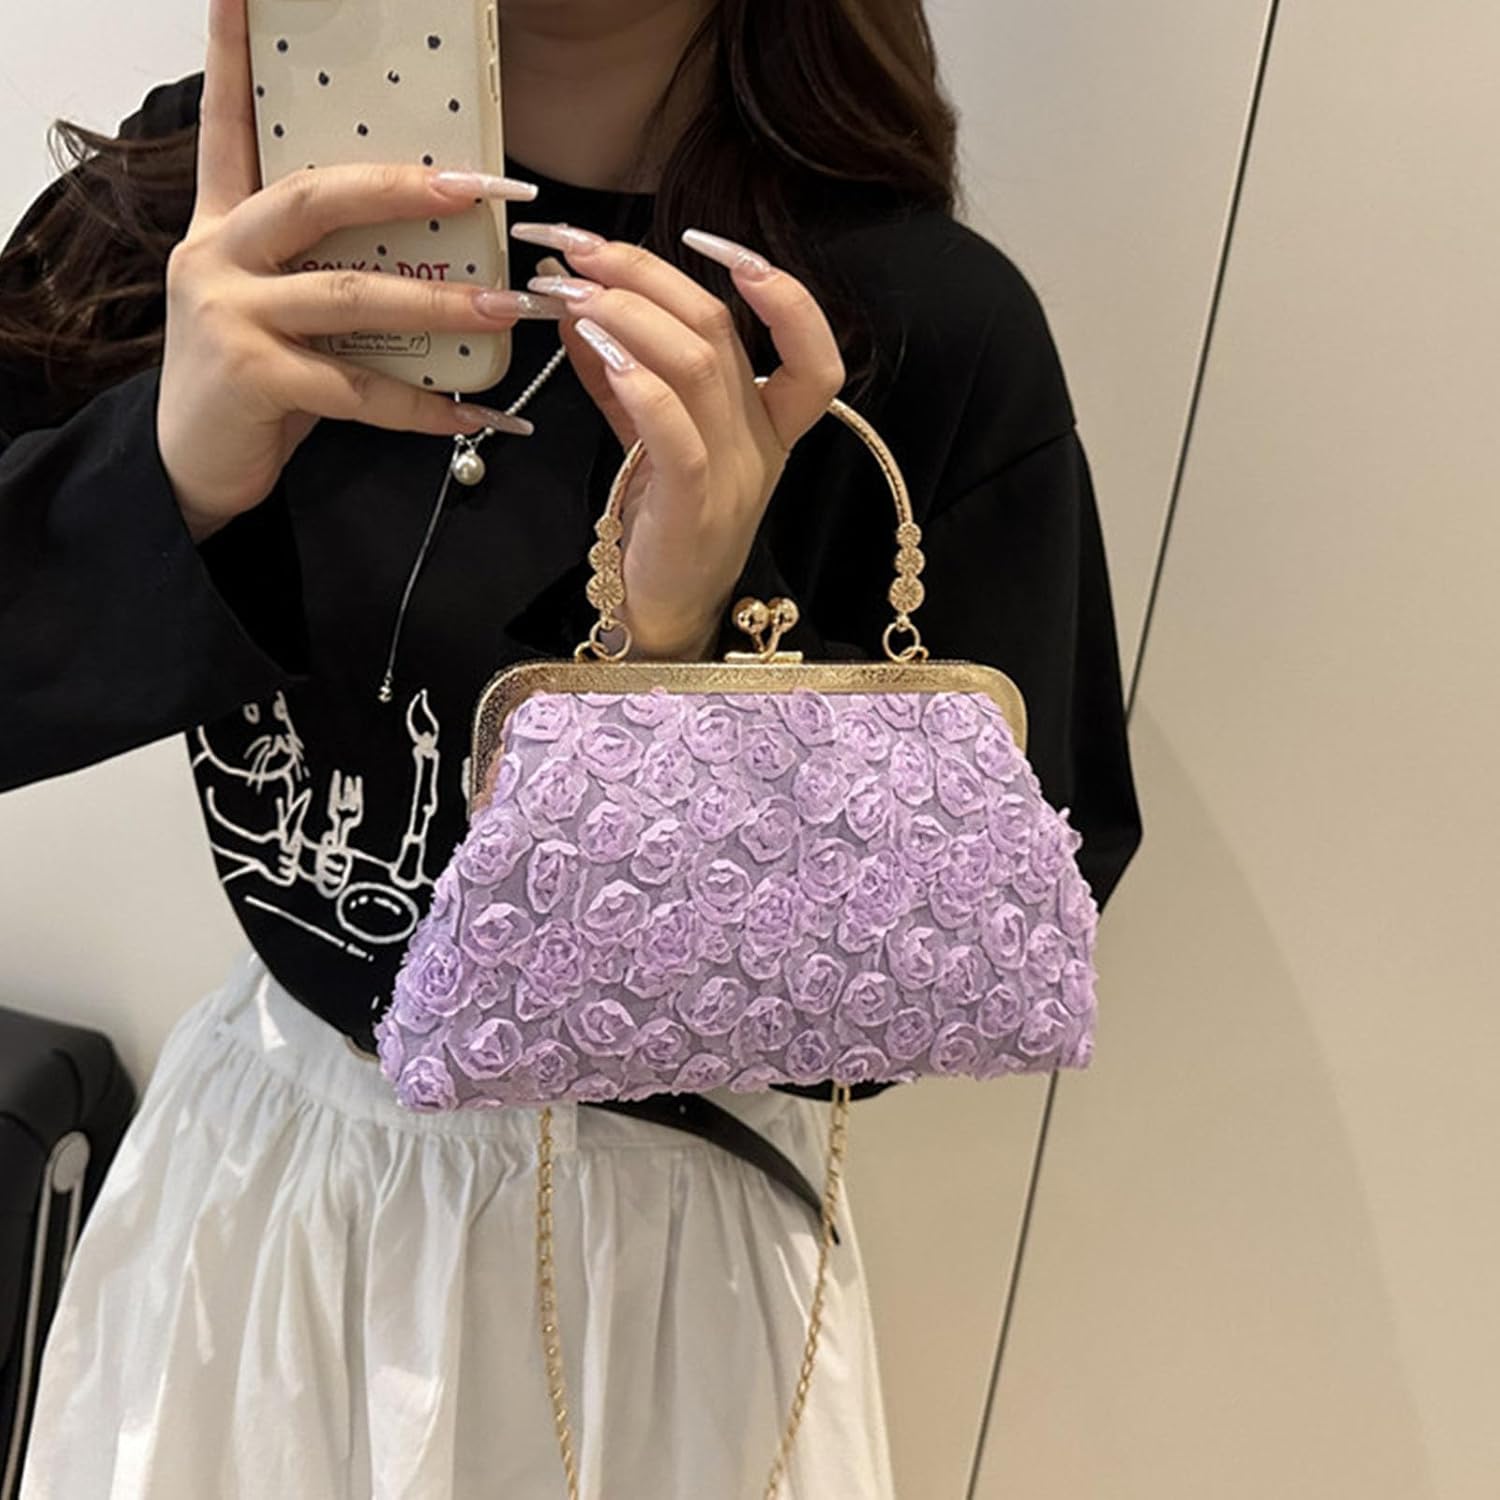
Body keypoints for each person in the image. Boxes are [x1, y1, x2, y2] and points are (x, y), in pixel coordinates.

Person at [0, 0, 1144, 1494]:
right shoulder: (228, 196)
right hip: (258, 1203)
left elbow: (982, 942)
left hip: (660, 1294)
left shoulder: (904, 324)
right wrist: (172, 475)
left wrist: (684, 656)